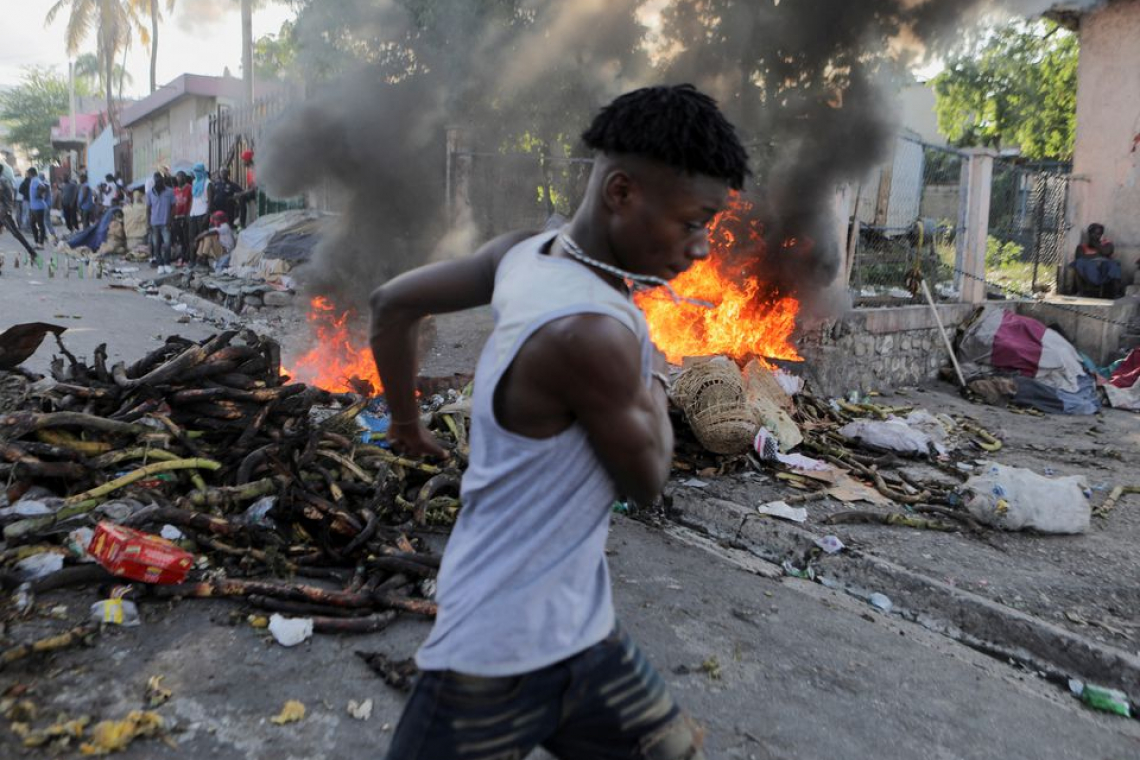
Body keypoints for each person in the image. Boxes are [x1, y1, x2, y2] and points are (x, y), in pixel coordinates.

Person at [371, 84, 748, 760]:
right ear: (623, 193)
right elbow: (649, 481)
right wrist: (661, 375)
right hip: (495, 653)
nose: (700, 249)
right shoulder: (592, 334)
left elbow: (392, 305)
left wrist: (405, 422)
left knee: (671, 751)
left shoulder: (525, 253)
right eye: (694, 221)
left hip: (582, 633)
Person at [1072, 223, 1123, 298]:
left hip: (1104, 272)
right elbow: (1080, 259)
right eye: (1093, 233)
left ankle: (1115, 293)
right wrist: (1099, 255)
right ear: (1089, 234)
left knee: (1114, 265)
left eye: (1098, 234)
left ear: (1101, 235)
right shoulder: (1081, 247)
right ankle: (1081, 291)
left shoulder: (1107, 244)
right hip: (1090, 272)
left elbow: (1107, 252)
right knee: (1079, 263)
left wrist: (1096, 245)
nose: (1095, 236)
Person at [1, 164, 39, 262]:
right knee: (16, 233)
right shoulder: (5, 180)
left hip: (3, 212)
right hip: (4, 211)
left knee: (16, 233)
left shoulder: (1, 181)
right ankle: (32, 252)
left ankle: (32, 252)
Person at [147, 172, 176, 273]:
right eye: (156, 181)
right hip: (154, 222)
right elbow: (148, 208)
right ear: (154, 181)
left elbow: (173, 207)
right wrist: (148, 223)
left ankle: (167, 264)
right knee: (156, 245)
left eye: (160, 181)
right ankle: (160, 265)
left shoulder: (170, 191)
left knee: (167, 244)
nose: (158, 182)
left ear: (163, 181)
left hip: (165, 222)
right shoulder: (150, 192)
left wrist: (170, 220)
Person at [187, 162, 212, 266]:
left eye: (198, 171)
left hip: (203, 212)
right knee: (191, 237)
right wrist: (189, 213)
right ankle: (192, 260)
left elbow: (210, 201)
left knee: (201, 237)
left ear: (202, 171)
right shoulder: (194, 182)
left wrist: (207, 215)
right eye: (195, 171)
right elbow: (193, 199)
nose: (196, 173)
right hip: (194, 213)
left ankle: (201, 260)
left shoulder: (208, 183)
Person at [171, 171, 192, 263]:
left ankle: (187, 257)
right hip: (176, 217)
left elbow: (191, 202)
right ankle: (183, 257)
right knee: (180, 239)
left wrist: (188, 214)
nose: (179, 179)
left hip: (185, 216)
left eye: (181, 177)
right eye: (178, 177)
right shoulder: (174, 190)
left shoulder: (189, 188)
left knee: (186, 238)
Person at [27, 168, 46, 247]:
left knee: (40, 225)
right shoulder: (33, 180)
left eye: (27, 173)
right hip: (33, 207)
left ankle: (41, 243)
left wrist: (39, 195)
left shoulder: (35, 180)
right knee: (32, 224)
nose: (27, 175)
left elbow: (43, 187)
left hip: (38, 207)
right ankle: (36, 241)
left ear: (31, 173)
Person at [238, 149, 257, 228]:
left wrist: (243, 193)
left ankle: (242, 224)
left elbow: (255, 187)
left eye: (244, 160)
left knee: (241, 197)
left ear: (248, 159)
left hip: (256, 192)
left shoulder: (254, 169)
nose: (243, 162)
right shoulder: (250, 169)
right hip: (252, 191)